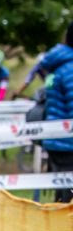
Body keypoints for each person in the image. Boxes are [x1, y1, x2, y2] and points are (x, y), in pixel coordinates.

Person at [38, 22, 73, 203]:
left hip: (57, 142)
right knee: (67, 200)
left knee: (63, 196)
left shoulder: (59, 65)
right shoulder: (70, 68)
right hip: (67, 144)